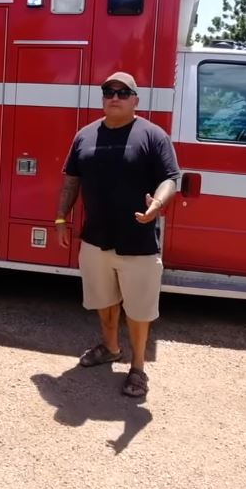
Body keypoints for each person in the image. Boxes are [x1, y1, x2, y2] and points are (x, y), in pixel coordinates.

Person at [55, 71, 181, 398]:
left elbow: (170, 178)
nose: (115, 96)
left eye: (123, 92)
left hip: (138, 242)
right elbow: (72, 180)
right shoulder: (85, 135)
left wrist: (158, 204)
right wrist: (60, 218)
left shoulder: (153, 136)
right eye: (109, 91)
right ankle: (110, 348)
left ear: (135, 100)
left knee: (138, 310)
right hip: (95, 239)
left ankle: (138, 368)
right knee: (104, 301)